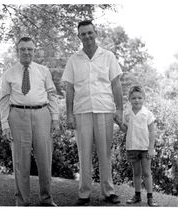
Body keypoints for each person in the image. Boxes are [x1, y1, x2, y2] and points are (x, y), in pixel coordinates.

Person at [61, 20, 123, 206]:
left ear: (95, 33)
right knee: (84, 154)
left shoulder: (108, 56)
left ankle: (108, 191)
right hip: (82, 111)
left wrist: (119, 109)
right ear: (78, 37)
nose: (87, 36)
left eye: (90, 32)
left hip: (104, 109)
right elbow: (69, 89)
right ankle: (84, 193)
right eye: (83, 34)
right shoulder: (74, 59)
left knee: (105, 154)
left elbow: (116, 84)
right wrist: (69, 114)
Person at [0, 37, 60, 206]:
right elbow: (4, 99)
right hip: (18, 116)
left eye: (30, 49)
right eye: (23, 49)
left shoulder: (43, 71)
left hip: (42, 114)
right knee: (20, 162)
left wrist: (55, 118)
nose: (26, 52)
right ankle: (22, 201)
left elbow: (52, 94)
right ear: (17, 51)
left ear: (34, 51)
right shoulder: (9, 73)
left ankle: (47, 199)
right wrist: (5, 124)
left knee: (45, 159)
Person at [115, 85, 158, 207]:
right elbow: (125, 130)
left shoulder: (147, 114)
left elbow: (152, 132)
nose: (137, 100)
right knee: (136, 173)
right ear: (129, 99)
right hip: (132, 147)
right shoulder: (127, 113)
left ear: (144, 98)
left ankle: (150, 197)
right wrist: (119, 123)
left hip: (145, 148)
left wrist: (151, 148)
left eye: (139, 98)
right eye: (134, 98)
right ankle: (137, 195)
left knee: (146, 172)